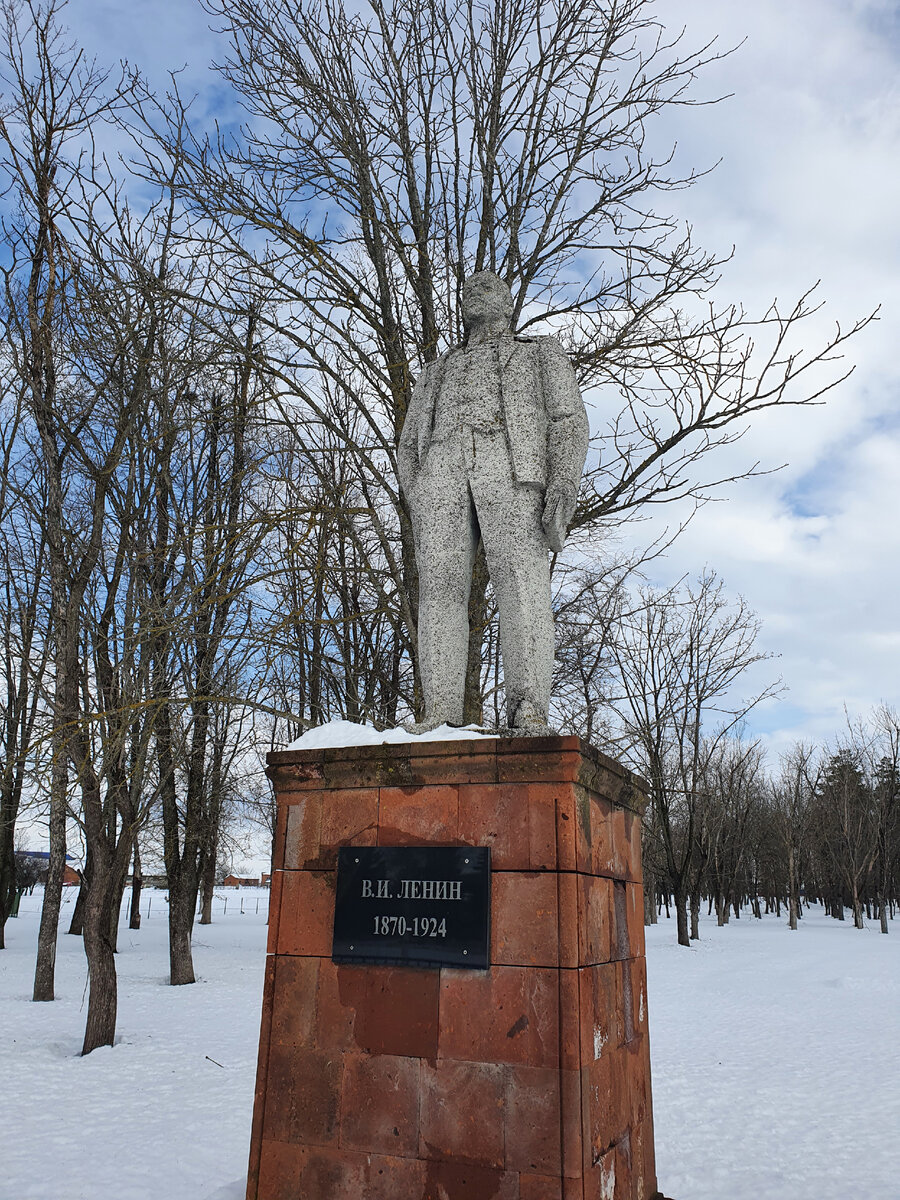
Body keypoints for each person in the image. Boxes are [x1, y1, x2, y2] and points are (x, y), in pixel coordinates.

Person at [398, 271, 589, 733]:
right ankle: (440, 712)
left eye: (485, 287)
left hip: (510, 465)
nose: (471, 293)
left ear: (506, 301)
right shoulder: (438, 369)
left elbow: (568, 418)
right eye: (466, 289)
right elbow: (408, 442)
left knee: (520, 579)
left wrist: (562, 479)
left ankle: (528, 707)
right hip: (443, 471)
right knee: (440, 585)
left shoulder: (539, 352)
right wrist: (420, 491)